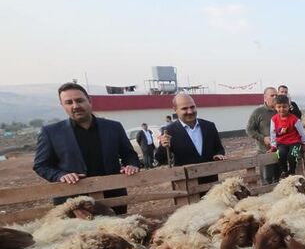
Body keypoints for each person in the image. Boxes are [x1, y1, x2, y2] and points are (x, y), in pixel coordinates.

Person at [33, 82, 140, 214]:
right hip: (73, 204)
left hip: (113, 198)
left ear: (89, 101)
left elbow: (129, 155)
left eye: (79, 100)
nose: (75, 106)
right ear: (62, 106)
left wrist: (131, 165)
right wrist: (60, 175)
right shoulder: (51, 132)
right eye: (69, 102)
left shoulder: (114, 127)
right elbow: (41, 165)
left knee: (115, 234)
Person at [155, 93, 225, 184]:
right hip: (186, 185)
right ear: (175, 110)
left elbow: (219, 148)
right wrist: (163, 147)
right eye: (184, 108)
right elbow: (160, 159)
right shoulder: (169, 131)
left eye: (192, 107)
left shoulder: (209, 126)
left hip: (211, 182)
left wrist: (219, 155)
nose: (190, 111)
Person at [269, 95, 305, 178]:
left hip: (295, 143)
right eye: (279, 107)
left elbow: (302, 132)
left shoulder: (294, 119)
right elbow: (272, 133)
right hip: (282, 143)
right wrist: (273, 145)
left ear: (288, 106)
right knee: (281, 154)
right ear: (275, 107)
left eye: (284, 107)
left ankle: (292, 172)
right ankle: (284, 171)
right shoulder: (274, 119)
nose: (282, 109)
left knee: (292, 156)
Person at [246, 87, 280, 184]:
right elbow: (249, 130)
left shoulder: (281, 110)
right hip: (265, 152)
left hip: (280, 152)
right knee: (267, 181)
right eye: (272, 95)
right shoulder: (258, 112)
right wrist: (263, 138)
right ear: (265, 98)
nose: (275, 97)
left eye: (276, 95)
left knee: (280, 180)